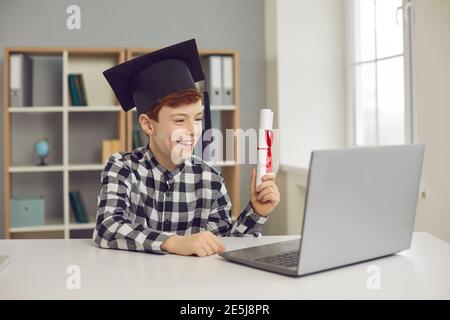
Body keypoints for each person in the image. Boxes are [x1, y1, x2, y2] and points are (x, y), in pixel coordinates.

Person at [93, 39, 280, 257]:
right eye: (180, 120)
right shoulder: (122, 168)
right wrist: (173, 242)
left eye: (198, 118)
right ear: (147, 124)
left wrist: (256, 212)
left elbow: (223, 244)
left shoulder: (210, 179)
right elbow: (108, 227)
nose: (193, 131)